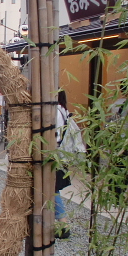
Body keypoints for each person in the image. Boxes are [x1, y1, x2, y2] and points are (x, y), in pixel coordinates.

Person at [55, 89, 71, 239]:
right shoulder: (64, 110)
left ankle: (63, 224)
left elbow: (54, 136)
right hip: (60, 155)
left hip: (53, 155)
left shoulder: (55, 112)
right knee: (53, 189)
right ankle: (61, 223)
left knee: (52, 190)